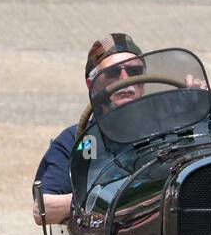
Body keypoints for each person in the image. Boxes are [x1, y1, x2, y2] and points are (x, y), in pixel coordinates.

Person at [32, 33, 145, 225]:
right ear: (92, 84)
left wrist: (201, 109)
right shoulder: (78, 140)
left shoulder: (170, 127)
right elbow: (44, 208)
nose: (126, 80)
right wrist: (109, 199)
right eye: (113, 73)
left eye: (134, 72)